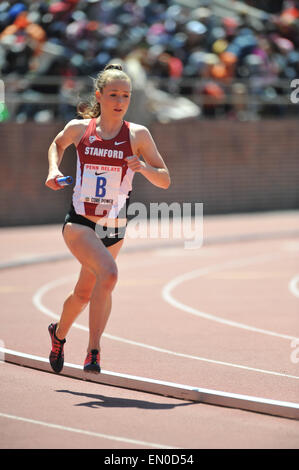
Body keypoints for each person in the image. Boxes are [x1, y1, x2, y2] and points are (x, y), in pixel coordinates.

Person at [45, 63, 171, 374]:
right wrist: (53, 169)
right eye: (113, 94)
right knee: (110, 274)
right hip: (80, 223)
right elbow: (57, 144)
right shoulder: (80, 128)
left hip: (114, 225)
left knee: (85, 291)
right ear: (99, 96)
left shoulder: (138, 135)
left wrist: (143, 167)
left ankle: (58, 334)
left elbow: (165, 179)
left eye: (125, 96)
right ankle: (94, 351)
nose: (119, 101)